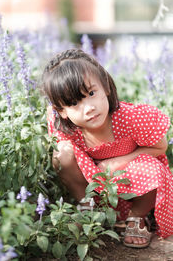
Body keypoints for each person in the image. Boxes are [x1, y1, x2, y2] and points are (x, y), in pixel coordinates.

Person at [42, 48, 173, 248]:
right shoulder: (69, 129)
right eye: (74, 103)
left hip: (136, 191)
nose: (89, 107)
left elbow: (161, 147)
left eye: (91, 93)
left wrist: (120, 161)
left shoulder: (130, 118)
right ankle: (88, 207)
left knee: (153, 168)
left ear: (106, 87)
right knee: (62, 153)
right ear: (62, 112)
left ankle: (137, 218)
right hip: (98, 192)